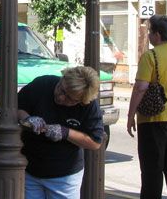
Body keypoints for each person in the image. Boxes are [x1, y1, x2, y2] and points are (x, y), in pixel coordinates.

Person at [127, 15, 167, 199]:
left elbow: (140, 88)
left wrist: (131, 115)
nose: (148, 36)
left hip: (153, 119)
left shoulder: (150, 56)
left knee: (152, 167)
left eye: (150, 32)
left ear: (157, 34)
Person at [17, 66, 104, 199]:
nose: (61, 97)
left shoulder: (89, 106)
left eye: (70, 99)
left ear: (81, 101)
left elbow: (95, 142)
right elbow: (16, 107)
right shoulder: (43, 84)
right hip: (30, 169)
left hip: (65, 176)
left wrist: (66, 133)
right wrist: (28, 118)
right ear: (62, 78)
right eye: (61, 89)